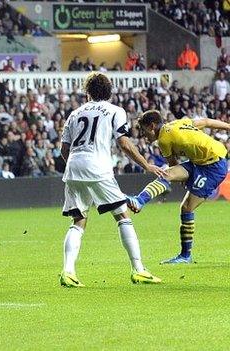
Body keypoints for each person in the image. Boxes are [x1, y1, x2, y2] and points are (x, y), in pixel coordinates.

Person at [59, 72, 164, 287]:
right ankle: (139, 269)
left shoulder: (74, 114)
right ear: (109, 92)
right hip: (98, 168)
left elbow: (64, 149)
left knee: (78, 220)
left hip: (73, 168)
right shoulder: (115, 111)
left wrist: (77, 165)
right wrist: (146, 164)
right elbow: (124, 143)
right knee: (122, 216)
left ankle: (68, 271)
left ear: (88, 93)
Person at [127, 111, 230, 264]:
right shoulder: (178, 123)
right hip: (201, 160)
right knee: (166, 175)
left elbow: (172, 162)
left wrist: (183, 178)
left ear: (152, 126)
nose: (144, 135)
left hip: (213, 167)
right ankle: (139, 201)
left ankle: (185, 256)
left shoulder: (163, 140)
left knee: (187, 208)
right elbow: (207, 121)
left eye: (144, 130)